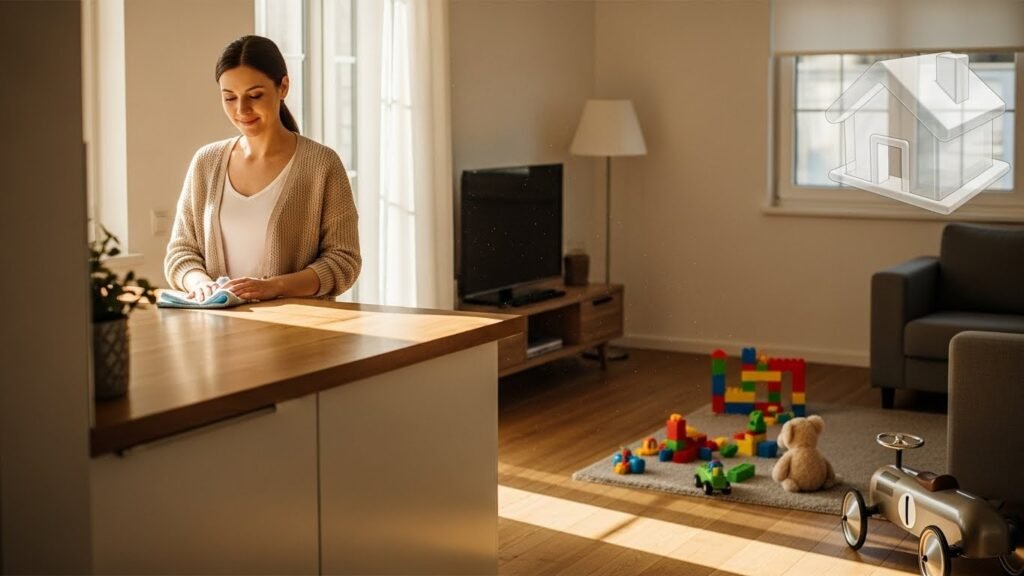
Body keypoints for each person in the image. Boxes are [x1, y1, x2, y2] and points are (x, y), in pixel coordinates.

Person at [164, 35, 360, 302]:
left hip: (297, 331)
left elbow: (343, 262)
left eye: (254, 95)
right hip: (216, 330)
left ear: (283, 87)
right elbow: (181, 252)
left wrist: (275, 287)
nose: (241, 109)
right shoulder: (205, 163)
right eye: (229, 98)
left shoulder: (322, 165)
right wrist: (200, 284)